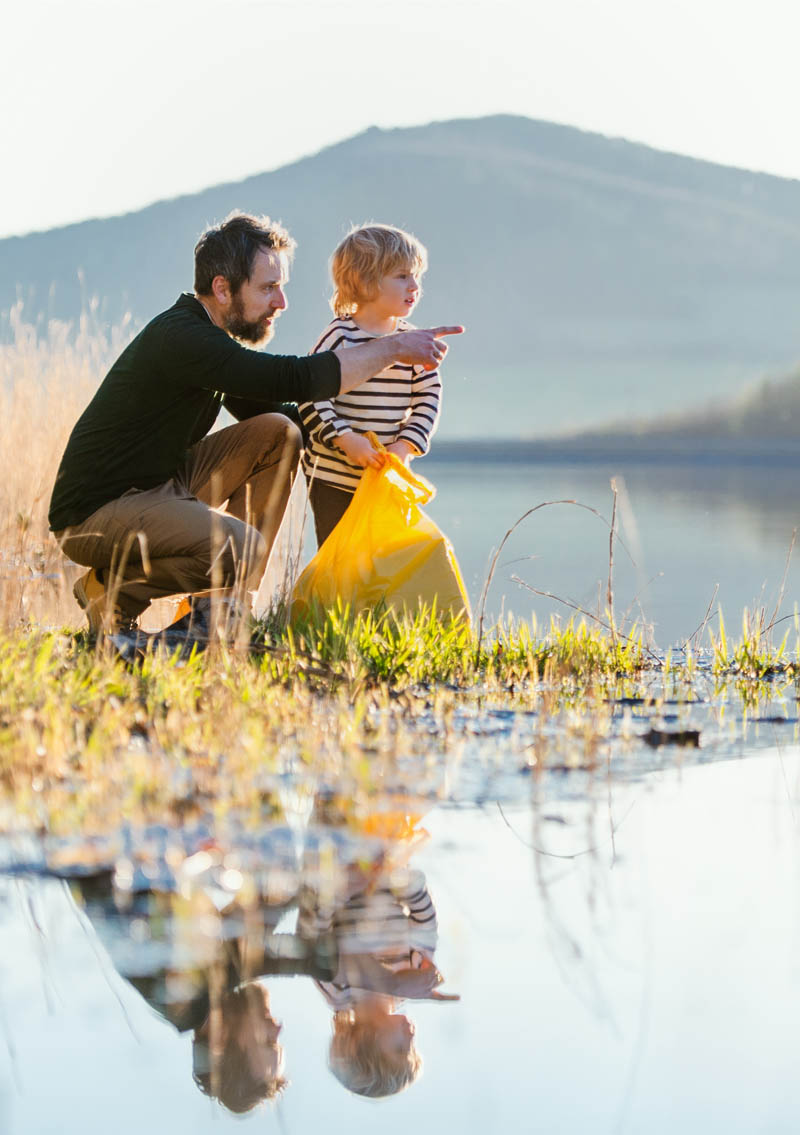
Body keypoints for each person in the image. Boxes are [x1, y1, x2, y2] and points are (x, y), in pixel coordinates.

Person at [48, 211, 462, 635]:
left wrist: (347, 438)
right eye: (268, 288)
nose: (281, 303)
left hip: (157, 488)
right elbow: (296, 378)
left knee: (279, 435)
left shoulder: (213, 345)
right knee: (239, 547)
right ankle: (111, 592)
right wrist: (394, 348)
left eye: (280, 287)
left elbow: (287, 412)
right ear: (222, 289)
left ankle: (224, 614)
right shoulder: (185, 339)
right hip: (94, 515)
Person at [298, 223, 443, 548]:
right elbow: (311, 398)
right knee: (339, 556)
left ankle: (374, 604)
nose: (414, 286)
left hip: (384, 475)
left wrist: (405, 447)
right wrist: (346, 439)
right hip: (333, 476)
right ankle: (332, 601)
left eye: (416, 276)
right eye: (402, 276)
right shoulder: (339, 336)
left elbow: (428, 397)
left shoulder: (413, 342)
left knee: (383, 559)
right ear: (365, 282)